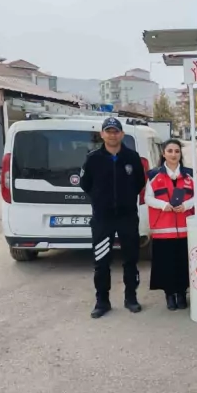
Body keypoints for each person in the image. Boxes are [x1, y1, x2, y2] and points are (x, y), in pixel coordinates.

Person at [79, 116, 147, 319]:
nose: (112, 134)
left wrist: (125, 199)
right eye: (108, 131)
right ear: (102, 134)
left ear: (122, 134)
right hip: (103, 218)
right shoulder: (93, 159)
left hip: (127, 217)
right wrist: (101, 200)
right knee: (101, 261)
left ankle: (131, 298)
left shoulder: (132, 157)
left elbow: (139, 183)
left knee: (131, 260)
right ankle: (102, 301)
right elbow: (85, 184)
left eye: (116, 131)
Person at [145, 139, 197, 311]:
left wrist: (185, 206)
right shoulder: (154, 175)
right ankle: (169, 295)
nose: (173, 154)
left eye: (177, 151)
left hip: (185, 229)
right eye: (170, 151)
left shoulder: (189, 175)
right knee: (166, 265)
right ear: (163, 154)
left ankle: (181, 294)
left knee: (183, 264)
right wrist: (164, 205)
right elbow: (147, 198)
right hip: (163, 228)